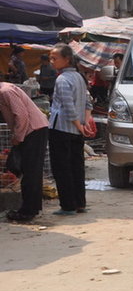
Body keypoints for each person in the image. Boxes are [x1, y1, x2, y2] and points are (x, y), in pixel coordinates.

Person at [47, 44, 92, 216]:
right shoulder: (79, 77)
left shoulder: (62, 79)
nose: (52, 62)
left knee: (62, 168)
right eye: (51, 58)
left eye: (55, 58)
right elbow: (88, 102)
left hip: (62, 129)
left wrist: (80, 125)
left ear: (66, 59)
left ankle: (67, 206)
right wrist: (84, 124)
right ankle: (79, 203)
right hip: (76, 130)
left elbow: (68, 107)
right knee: (76, 167)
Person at [0, 82, 49, 223]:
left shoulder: (6, 92)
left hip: (33, 130)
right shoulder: (5, 90)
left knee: (30, 171)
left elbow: (21, 115)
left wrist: (18, 137)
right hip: (31, 130)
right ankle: (32, 208)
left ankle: (28, 211)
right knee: (30, 171)